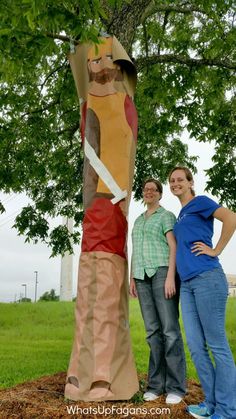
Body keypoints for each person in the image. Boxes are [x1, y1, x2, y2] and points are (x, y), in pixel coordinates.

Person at [64, 35, 139, 401]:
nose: (99, 65)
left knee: (107, 289)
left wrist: (116, 199)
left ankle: (105, 379)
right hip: (93, 208)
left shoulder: (125, 103)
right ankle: (78, 371)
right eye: (93, 60)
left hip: (113, 207)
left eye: (107, 58)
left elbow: (122, 151)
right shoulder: (86, 104)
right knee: (88, 290)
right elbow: (89, 151)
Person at [168, 166, 236, 419]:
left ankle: (228, 411)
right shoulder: (181, 215)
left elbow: (231, 218)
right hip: (187, 285)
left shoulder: (200, 202)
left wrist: (216, 249)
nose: (176, 184)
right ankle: (211, 403)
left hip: (208, 278)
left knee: (217, 346)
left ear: (190, 182)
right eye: (172, 181)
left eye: (180, 180)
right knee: (196, 347)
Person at [130, 178, 186, 404]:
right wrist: (132, 277)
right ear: (143, 194)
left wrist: (171, 276)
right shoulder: (137, 220)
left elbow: (173, 246)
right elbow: (135, 249)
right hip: (141, 277)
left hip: (162, 273)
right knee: (152, 332)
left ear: (160, 194)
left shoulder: (166, 216)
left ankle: (176, 387)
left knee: (169, 331)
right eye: (146, 189)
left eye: (154, 189)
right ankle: (155, 385)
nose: (149, 192)